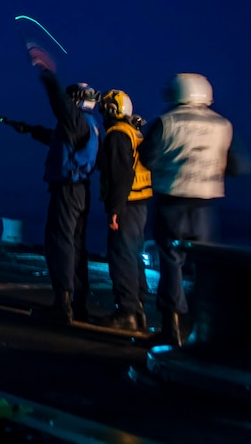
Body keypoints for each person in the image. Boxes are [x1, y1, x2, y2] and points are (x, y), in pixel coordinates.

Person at [138, 73, 250, 347]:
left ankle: (171, 328)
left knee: (170, 264)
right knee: (206, 268)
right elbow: (238, 166)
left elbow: (146, 158)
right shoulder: (223, 125)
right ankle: (204, 329)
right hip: (206, 205)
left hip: (171, 202)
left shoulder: (165, 122)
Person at [5, 52, 103, 325]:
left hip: (68, 190)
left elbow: (58, 103)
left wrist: (47, 73)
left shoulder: (74, 119)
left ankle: (63, 305)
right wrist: (28, 129)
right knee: (75, 245)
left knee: (59, 244)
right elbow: (56, 139)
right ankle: (77, 304)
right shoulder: (90, 125)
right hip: (81, 190)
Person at [97, 90, 152, 331]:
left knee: (121, 256)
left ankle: (127, 312)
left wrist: (114, 209)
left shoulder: (118, 134)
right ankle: (137, 308)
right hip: (139, 203)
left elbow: (121, 174)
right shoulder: (133, 131)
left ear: (112, 109)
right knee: (132, 255)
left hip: (127, 204)